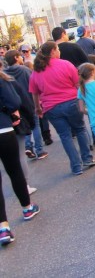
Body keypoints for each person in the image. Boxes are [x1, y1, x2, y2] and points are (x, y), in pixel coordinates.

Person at [29, 41, 95, 175]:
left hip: (51, 108)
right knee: (80, 129)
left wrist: (38, 107)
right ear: (53, 51)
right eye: (58, 49)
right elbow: (78, 84)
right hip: (71, 102)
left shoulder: (36, 71)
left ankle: (76, 166)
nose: (59, 52)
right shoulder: (66, 64)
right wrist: (86, 100)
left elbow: (34, 93)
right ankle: (87, 158)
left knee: (65, 136)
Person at [0, 70, 40, 246]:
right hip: (3, 129)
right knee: (14, 170)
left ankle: (3, 227)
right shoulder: (2, 80)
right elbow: (14, 101)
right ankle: (27, 207)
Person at [3, 50, 48, 161]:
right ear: (16, 58)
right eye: (20, 56)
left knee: (25, 125)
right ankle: (39, 150)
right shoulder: (25, 70)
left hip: (16, 105)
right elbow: (34, 85)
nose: (22, 57)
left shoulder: (4, 73)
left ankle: (28, 147)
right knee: (35, 126)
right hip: (29, 101)